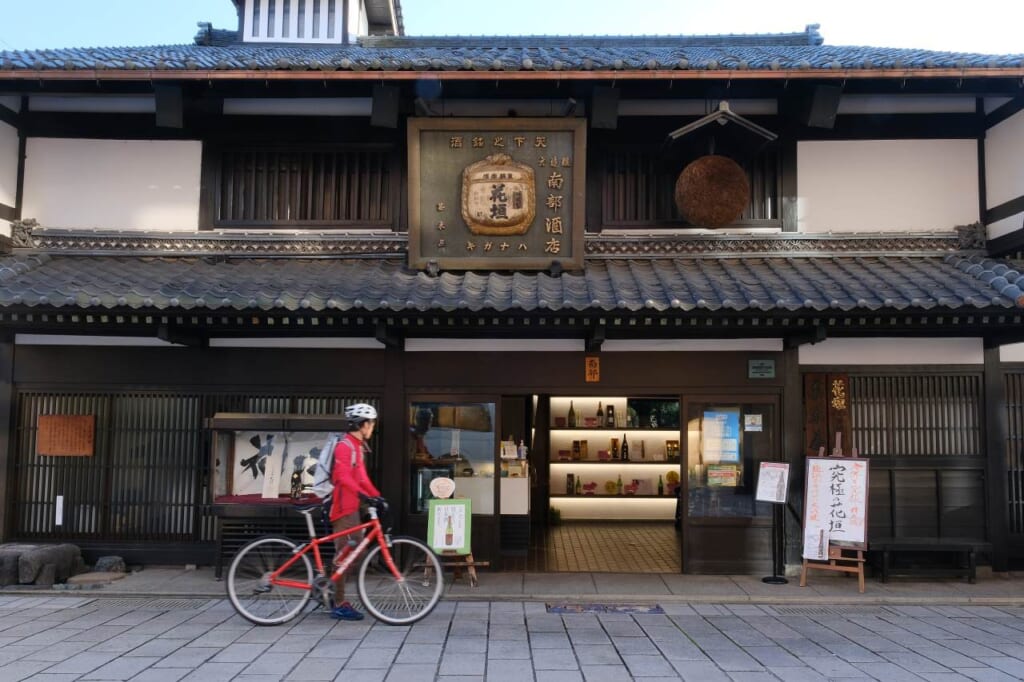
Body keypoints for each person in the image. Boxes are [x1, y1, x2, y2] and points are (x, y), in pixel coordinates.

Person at [328, 403, 381, 621]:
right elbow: (342, 476)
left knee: (355, 551)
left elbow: (361, 477)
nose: (373, 428)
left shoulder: (356, 446)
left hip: (353, 509)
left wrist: (377, 496)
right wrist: (365, 495)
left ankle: (327, 587)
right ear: (362, 424)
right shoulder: (345, 446)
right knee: (345, 555)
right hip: (343, 509)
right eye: (371, 423)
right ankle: (338, 602)